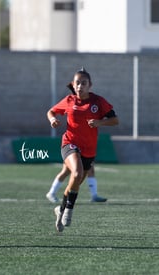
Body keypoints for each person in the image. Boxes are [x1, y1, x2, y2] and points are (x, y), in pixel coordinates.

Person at [47, 67, 118, 232]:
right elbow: (51, 111)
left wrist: (100, 122)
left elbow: (115, 120)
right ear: (73, 84)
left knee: (75, 182)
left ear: (90, 85)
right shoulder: (69, 101)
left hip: (89, 149)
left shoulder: (98, 102)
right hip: (69, 143)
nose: (80, 86)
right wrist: (52, 120)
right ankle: (69, 211)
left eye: (83, 83)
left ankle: (61, 209)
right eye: (77, 83)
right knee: (76, 173)